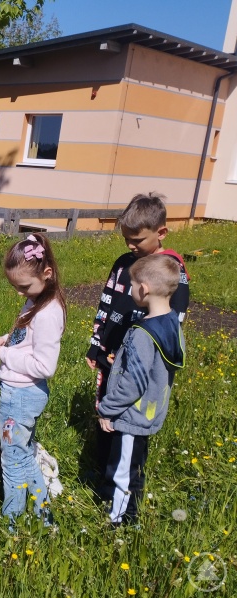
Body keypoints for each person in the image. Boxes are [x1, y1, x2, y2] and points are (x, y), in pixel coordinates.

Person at [86, 193, 189, 480]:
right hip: (110, 358)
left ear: (161, 232)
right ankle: (102, 470)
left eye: (138, 240)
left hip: (138, 365)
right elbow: (106, 303)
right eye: (126, 239)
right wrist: (96, 344)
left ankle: (124, 478)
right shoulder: (123, 264)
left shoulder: (171, 273)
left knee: (128, 421)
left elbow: (172, 323)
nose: (131, 246)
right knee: (104, 411)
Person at [0, 233, 66, 524]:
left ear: (47, 273)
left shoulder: (47, 313)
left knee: (12, 460)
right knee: (23, 453)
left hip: (21, 398)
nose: (20, 293)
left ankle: (12, 523)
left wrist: (3, 355)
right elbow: (24, 339)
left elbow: (44, 365)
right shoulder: (36, 301)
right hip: (17, 395)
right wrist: (4, 340)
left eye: (24, 286)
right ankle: (44, 515)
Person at [98, 254, 185, 526]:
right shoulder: (172, 324)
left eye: (132, 285)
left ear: (143, 289)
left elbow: (133, 382)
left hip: (131, 417)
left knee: (123, 471)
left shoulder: (143, 334)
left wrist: (107, 409)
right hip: (149, 413)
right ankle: (127, 512)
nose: (130, 290)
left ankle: (120, 523)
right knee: (135, 467)